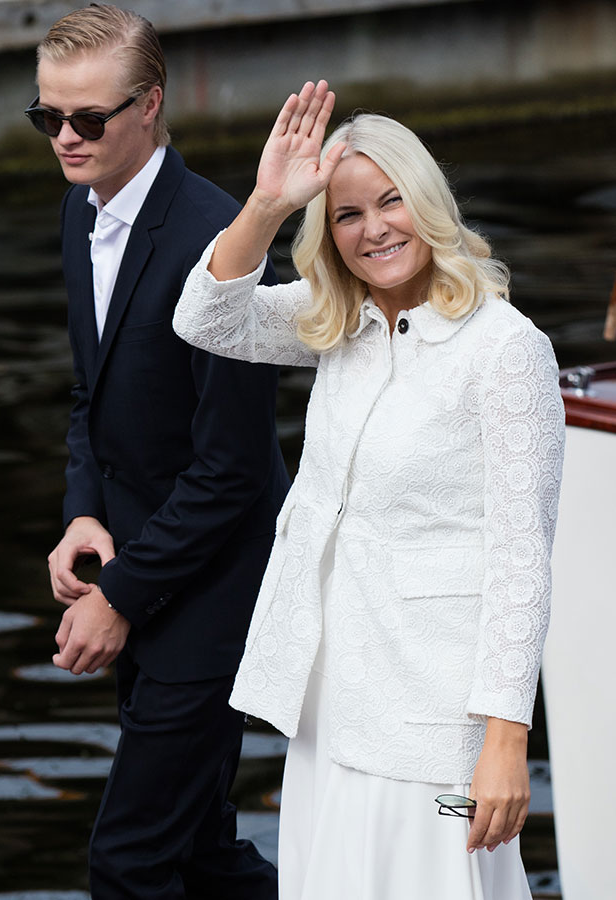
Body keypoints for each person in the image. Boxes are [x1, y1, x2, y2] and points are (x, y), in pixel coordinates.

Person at [173, 81, 565, 899]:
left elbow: (521, 559)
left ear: (428, 203)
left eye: (391, 202)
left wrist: (506, 738)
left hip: (437, 719)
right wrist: (270, 203)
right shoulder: (338, 320)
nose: (374, 228)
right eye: (348, 214)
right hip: (330, 701)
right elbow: (205, 320)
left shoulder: (504, 349)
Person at [26, 5, 288, 898]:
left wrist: (123, 600)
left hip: (210, 603)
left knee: (129, 861)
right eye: (48, 117)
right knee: (201, 854)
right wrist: (82, 512)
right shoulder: (79, 213)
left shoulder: (221, 243)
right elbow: (90, 397)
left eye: (88, 118)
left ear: (150, 105)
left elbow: (234, 469)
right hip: (135, 572)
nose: (66, 137)